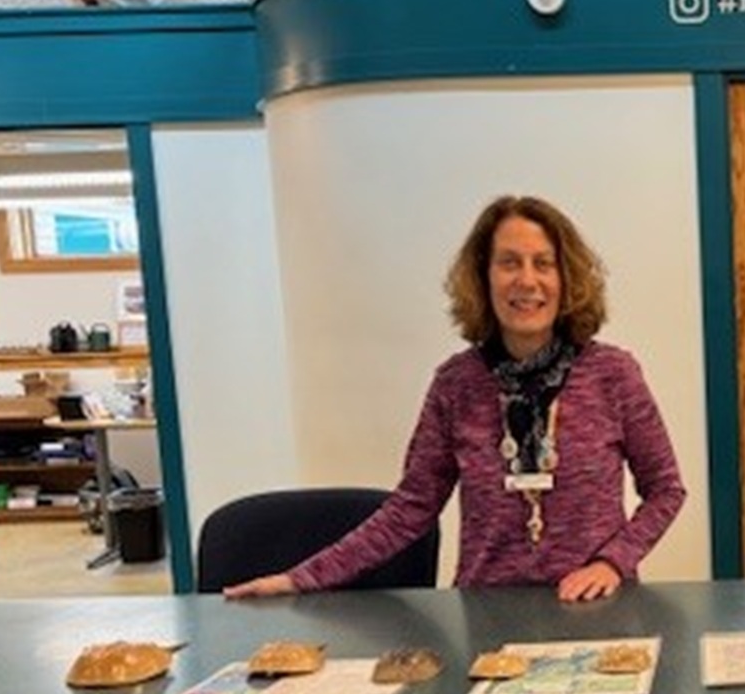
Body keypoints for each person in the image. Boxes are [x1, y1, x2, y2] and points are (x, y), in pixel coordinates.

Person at [225, 195, 685, 602]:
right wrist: (299, 579)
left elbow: (666, 490)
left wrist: (612, 563)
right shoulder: (455, 384)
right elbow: (411, 508)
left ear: (567, 279)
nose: (527, 280)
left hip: (593, 610)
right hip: (486, 617)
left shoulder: (614, 374)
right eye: (509, 262)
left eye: (544, 263)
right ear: (482, 277)